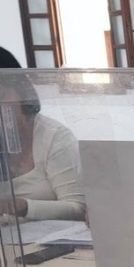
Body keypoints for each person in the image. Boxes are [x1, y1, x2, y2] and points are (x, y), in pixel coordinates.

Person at [0, 47, 85, 221]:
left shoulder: (54, 137)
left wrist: (23, 206)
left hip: (54, 237)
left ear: (21, 91)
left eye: (1, 95)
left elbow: (78, 208)